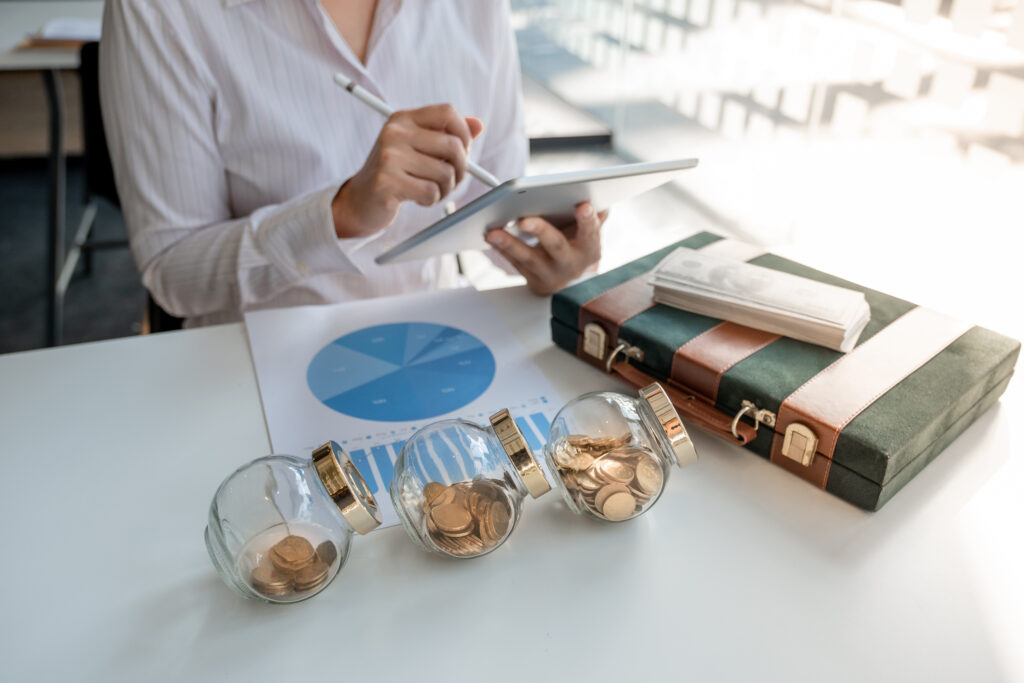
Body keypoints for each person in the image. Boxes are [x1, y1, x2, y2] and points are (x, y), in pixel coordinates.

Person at [100, 0, 606, 327]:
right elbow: (174, 271)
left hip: (434, 336)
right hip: (249, 362)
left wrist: (551, 251)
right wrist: (340, 216)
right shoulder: (161, 11)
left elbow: (494, 205)